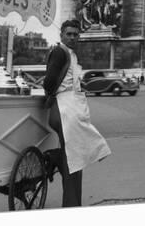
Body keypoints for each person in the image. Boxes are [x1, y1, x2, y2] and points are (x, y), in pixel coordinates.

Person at [43, 19, 111, 207]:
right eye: (69, 34)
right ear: (61, 35)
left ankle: (57, 161)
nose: (72, 37)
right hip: (63, 110)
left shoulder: (69, 54)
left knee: (75, 158)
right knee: (74, 159)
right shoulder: (60, 52)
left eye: (75, 34)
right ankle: (71, 204)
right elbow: (48, 82)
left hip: (68, 110)